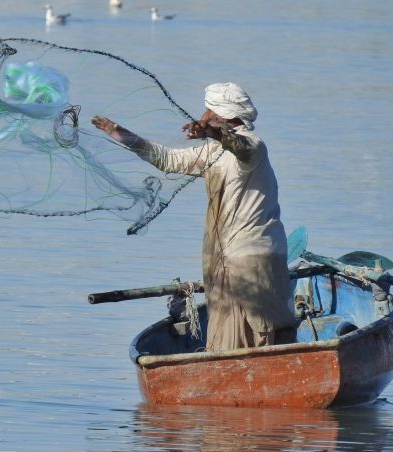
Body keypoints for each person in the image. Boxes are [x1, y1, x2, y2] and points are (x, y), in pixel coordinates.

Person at [91, 82, 295, 351]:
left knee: (262, 329)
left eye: (208, 112)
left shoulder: (253, 147)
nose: (202, 117)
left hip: (253, 254)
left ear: (223, 116)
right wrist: (119, 133)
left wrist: (213, 132)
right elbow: (167, 159)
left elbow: (240, 146)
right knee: (225, 332)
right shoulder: (212, 153)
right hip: (223, 255)